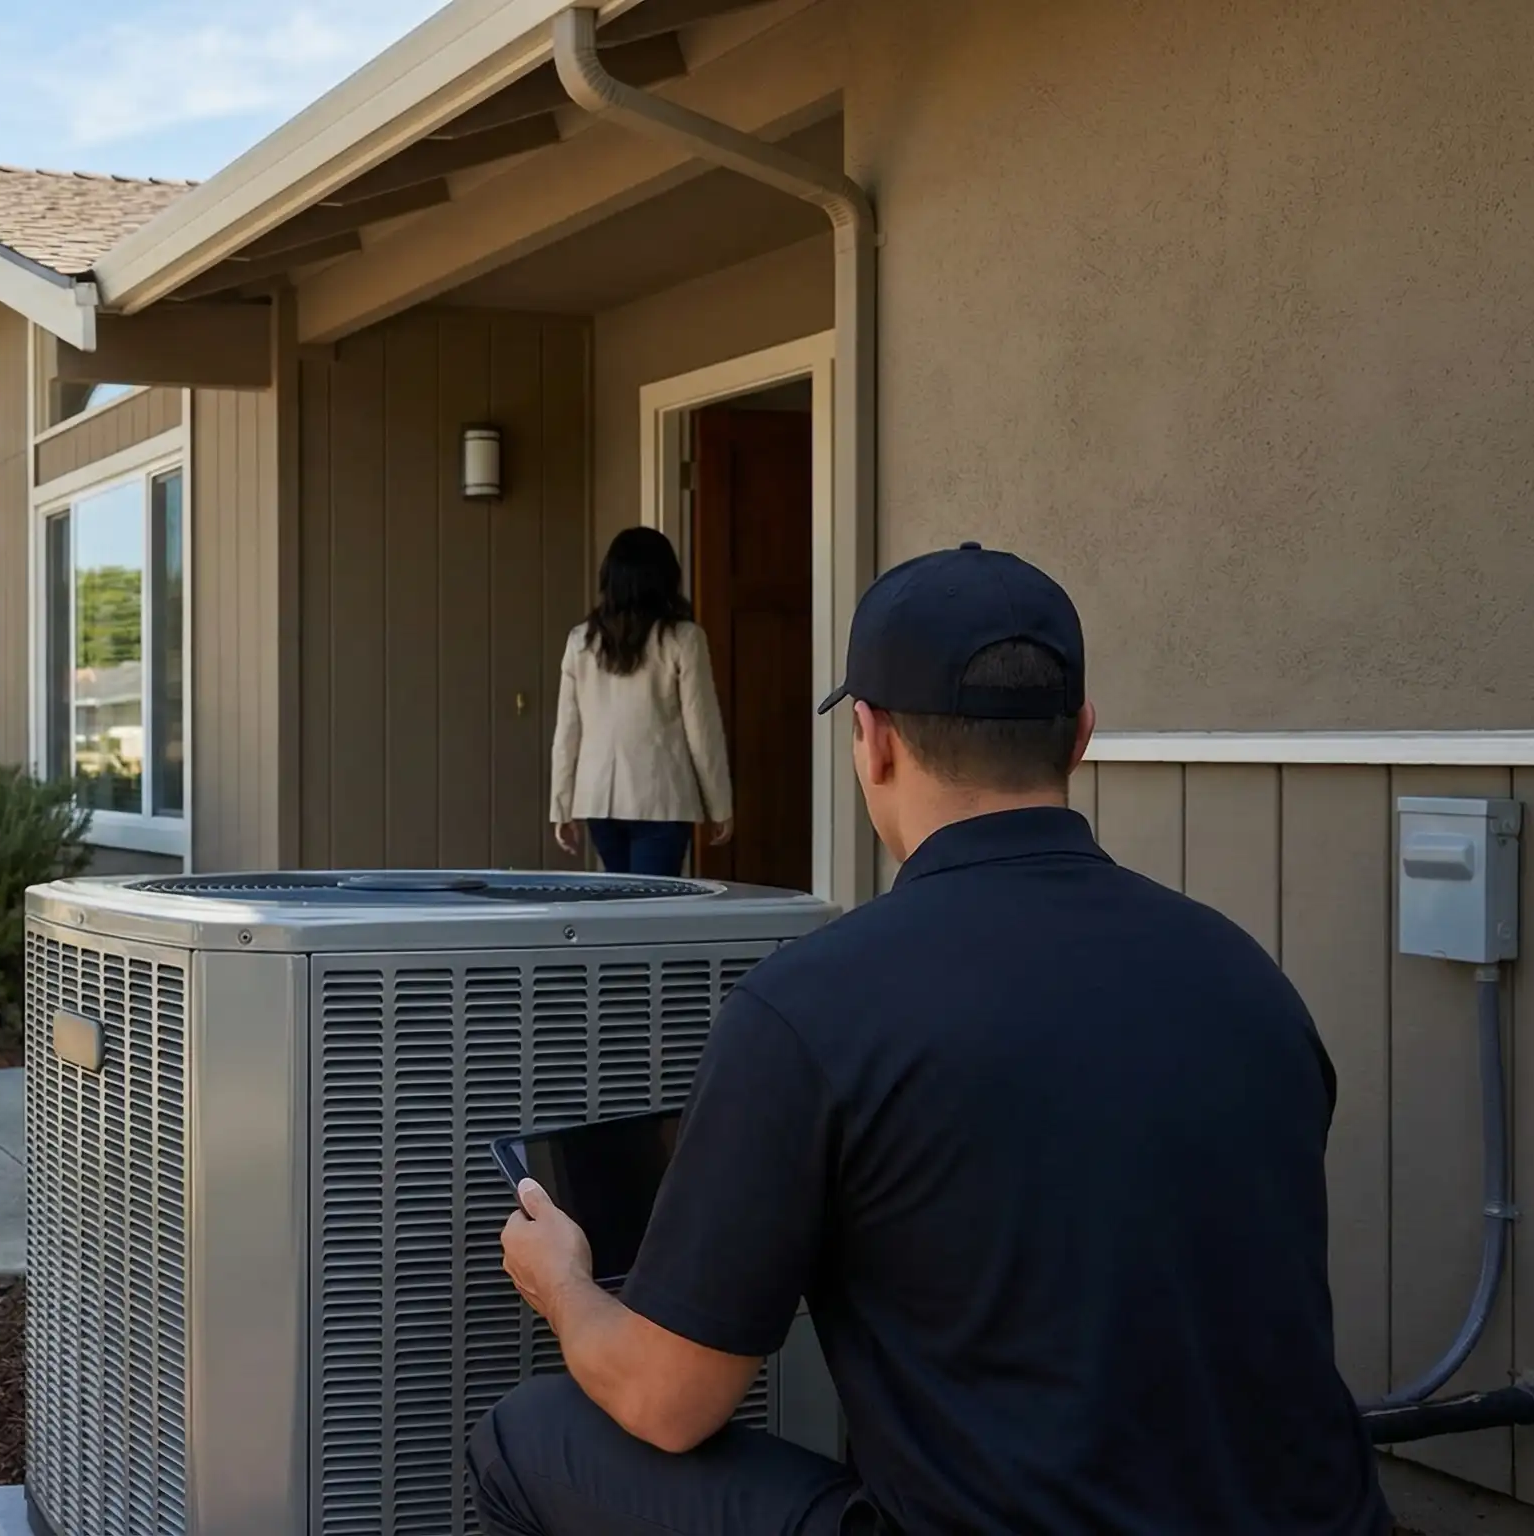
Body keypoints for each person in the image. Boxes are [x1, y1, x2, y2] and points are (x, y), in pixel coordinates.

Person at [472, 543, 1389, 1535]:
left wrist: (561, 1282)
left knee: (531, 1432)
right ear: (1078, 736)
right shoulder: (1247, 977)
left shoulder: (809, 1009)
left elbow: (667, 1401)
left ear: (870, 742)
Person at [550, 528, 732, 877]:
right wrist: (719, 804)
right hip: (663, 800)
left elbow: (567, 733)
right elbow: (702, 729)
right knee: (654, 912)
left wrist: (561, 806)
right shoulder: (684, 639)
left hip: (599, 799)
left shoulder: (581, 641)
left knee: (621, 910)